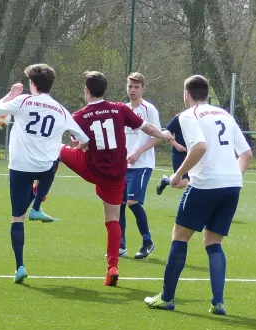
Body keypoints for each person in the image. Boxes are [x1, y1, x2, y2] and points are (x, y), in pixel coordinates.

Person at [144, 75, 252, 314]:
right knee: (213, 242)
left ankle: (167, 298)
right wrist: (233, 177)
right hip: (232, 186)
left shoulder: (188, 115)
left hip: (205, 185)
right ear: (207, 93)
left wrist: (178, 175)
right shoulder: (225, 114)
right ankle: (218, 303)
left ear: (187, 94)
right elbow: (246, 154)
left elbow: (200, 147)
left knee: (179, 236)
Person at [59, 71, 175, 287]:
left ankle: (38, 194)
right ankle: (112, 267)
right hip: (117, 173)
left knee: (56, 150)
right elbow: (145, 127)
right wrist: (163, 135)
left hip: (92, 169)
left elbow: (80, 145)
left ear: (86, 91)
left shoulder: (79, 116)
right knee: (112, 218)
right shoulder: (119, 109)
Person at [0, 63, 89, 284]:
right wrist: (76, 144)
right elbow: (83, 140)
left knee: (17, 218)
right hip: (44, 168)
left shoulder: (23, 100)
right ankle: (36, 207)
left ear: (31, 84)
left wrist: (11, 94)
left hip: (19, 166)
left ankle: (20, 267)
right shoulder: (61, 110)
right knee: (55, 159)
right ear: (51, 85)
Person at [119, 72, 186, 259]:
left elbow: (158, 136)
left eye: (136, 87)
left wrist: (138, 152)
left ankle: (147, 242)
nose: (132, 90)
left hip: (142, 164)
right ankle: (121, 244)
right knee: (119, 204)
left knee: (132, 202)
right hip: (124, 165)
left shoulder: (149, 109)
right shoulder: (123, 109)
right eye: (130, 86)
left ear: (143, 88)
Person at [156, 114, 189, 195]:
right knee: (180, 184)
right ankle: (165, 181)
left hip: (196, 153)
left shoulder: (202, 117)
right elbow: (166, 132)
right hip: (180, 154)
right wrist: (176, 145)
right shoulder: (180, 117)